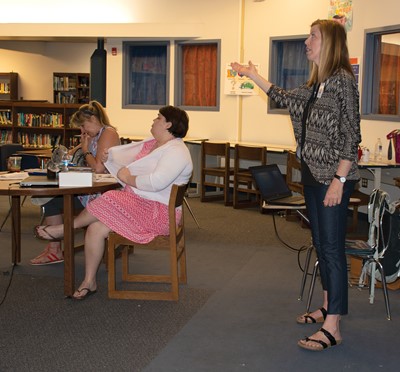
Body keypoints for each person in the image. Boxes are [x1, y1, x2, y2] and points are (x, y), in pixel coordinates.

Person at [231, 19, 361, 351]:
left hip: (333, 177)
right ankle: (327, 306)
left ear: (328, 42)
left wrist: (339, 180)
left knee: (332, 248)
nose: (306, 41)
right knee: (321, 243)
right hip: (313, 174)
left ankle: (334, 327)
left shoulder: (341, 83)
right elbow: (282, 97)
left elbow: (351, 135)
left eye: (312, 36)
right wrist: (252, 74)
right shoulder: (315, 85)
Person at [34, 105, 193, 300]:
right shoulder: (153, 143)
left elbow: (154, 182)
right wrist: (112, 158)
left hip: (159, 214)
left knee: (110, 197)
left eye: (158, 118)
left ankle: (67, 228)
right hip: (140, 203)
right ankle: (89, 282)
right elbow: (129, 160)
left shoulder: (177, 151)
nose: (154, 120)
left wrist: (127, 178)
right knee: (95, 228)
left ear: (168, 124)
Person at [31, 100, 120, 265]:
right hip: (90, 190)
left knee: (52, 200)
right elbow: (69, 155)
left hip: (102, 194)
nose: (82, 130)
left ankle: (55, 249)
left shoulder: (108, 133)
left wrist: (85, 150)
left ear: (93, 119)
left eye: (84, 125)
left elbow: (99, 168)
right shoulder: (93, 136)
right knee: (49, 197)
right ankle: (54, 248)